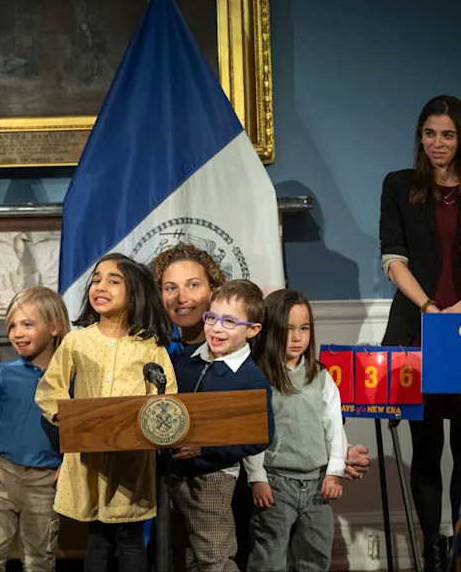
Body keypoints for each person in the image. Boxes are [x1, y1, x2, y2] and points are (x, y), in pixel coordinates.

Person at [150, 244, 370, 571]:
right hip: (178, 481)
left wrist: (336, 455)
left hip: (241, 485)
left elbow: (287, 409)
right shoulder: (164, 354)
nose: (184, 296)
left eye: (193, 285)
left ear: (213, 289)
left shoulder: (253, 357)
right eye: (171, 287)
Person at [35, 253, 177, 572]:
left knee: (129, 538)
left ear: (135, 292)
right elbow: (50, 388)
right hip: (89, 460)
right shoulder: (77, 341)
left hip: (131, 462)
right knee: (97, 539)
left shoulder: (150, 347)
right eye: (97, 279)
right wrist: (68, 421)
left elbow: (167, 397)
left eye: (114, 281)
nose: (101, 286)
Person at [381, 94, 461, 571]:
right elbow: (393, 259)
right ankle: (432, 551)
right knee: (426, 450)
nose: (437, 143)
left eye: (448, 134)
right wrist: (433, 310)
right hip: (419, 332)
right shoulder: (399, 185)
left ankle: (458, 548)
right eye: (429, 133)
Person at [169, 279, 274, 572]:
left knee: (214, 555)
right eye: (211, 318)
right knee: (189, 555)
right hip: (177, 475)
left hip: (214, 478)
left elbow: (259, 437)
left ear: (252, 330)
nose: (216, 328)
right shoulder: (186, 362)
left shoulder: (250, 380)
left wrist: (205, 448)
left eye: (229, 321)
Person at [0, 287, 70, 572]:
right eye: (12, 326)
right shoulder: (4, 373)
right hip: (1, 475)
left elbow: (79, 428)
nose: (17, 333)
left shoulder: (69, 376)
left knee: (39, 561)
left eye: (27, 324)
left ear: (55, 326)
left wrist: (68, 464)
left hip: (46, 482)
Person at [245, 289, 345, 571]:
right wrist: (257, 476)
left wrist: (335, 471)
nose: (298, 337)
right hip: (276, 485)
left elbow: (334, 427)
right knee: (269, 558)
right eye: (288, 329)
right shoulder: (259, 378)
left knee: (314, 557)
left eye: (304, 328)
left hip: (317, 487)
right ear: (272, 330)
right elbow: (254, 432)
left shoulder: (321, 376)